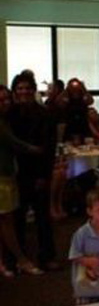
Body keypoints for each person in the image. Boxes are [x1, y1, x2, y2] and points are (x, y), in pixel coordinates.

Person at [9, 73, 58, 271]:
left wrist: (44, 175)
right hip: (15, 173)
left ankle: (47, 256)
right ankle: (18, 258)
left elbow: (49, 149)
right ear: (14, 91)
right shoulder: (9, 114)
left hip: (38, 172)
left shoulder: (45, 115)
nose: (24, 92)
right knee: (17, 218)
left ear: (34, 90)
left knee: (42, 217)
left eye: (27, 88)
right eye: (20, 88)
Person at [0, 85, 43, 277]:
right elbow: (14, 143)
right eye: (1, 100)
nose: (5, 103)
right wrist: (36, 149)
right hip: (2, 177)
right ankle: (21, 259)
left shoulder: (5, 119)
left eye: (7, 99)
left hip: (7, 175)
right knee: (7, 221)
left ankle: (4, 261)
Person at [57, 78, 94, 142]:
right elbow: (58, 103)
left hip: (83, 125)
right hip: (70, 125)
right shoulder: (67, 96)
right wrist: (66, 89)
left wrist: (84, 89)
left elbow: (91, 101)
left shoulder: (83, 96)